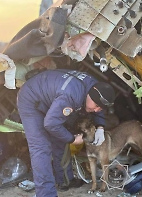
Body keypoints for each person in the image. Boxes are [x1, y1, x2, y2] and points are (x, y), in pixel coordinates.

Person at [17, 69, 115, 197]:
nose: (96, 110)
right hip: (31, 100)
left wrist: (101, 126)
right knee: (41, 148)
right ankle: (47, 194)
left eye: (100, 108)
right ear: (90, 95)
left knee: (59, 138)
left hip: (50, 97)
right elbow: (51, 124)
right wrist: (72, 139)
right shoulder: (71, 96)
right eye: (96, 106)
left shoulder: (96, 87)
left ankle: (64, 180)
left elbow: (99, 106)